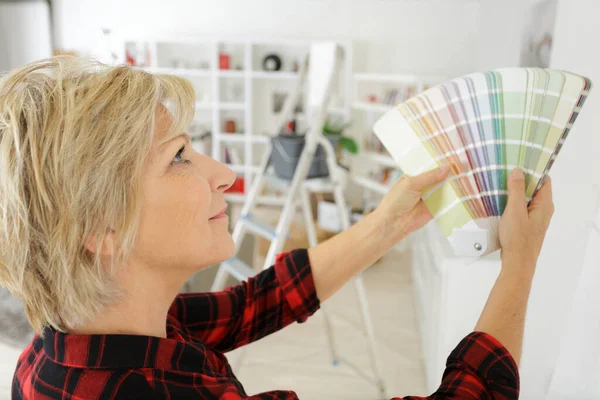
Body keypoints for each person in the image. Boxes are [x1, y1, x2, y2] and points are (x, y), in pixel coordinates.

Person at [0, 57, 553, 400]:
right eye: (179, 157)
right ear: (102, 226)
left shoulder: (53, 352)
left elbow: (254, 304)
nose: (226, 174)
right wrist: (522, 263)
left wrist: (387, 223)